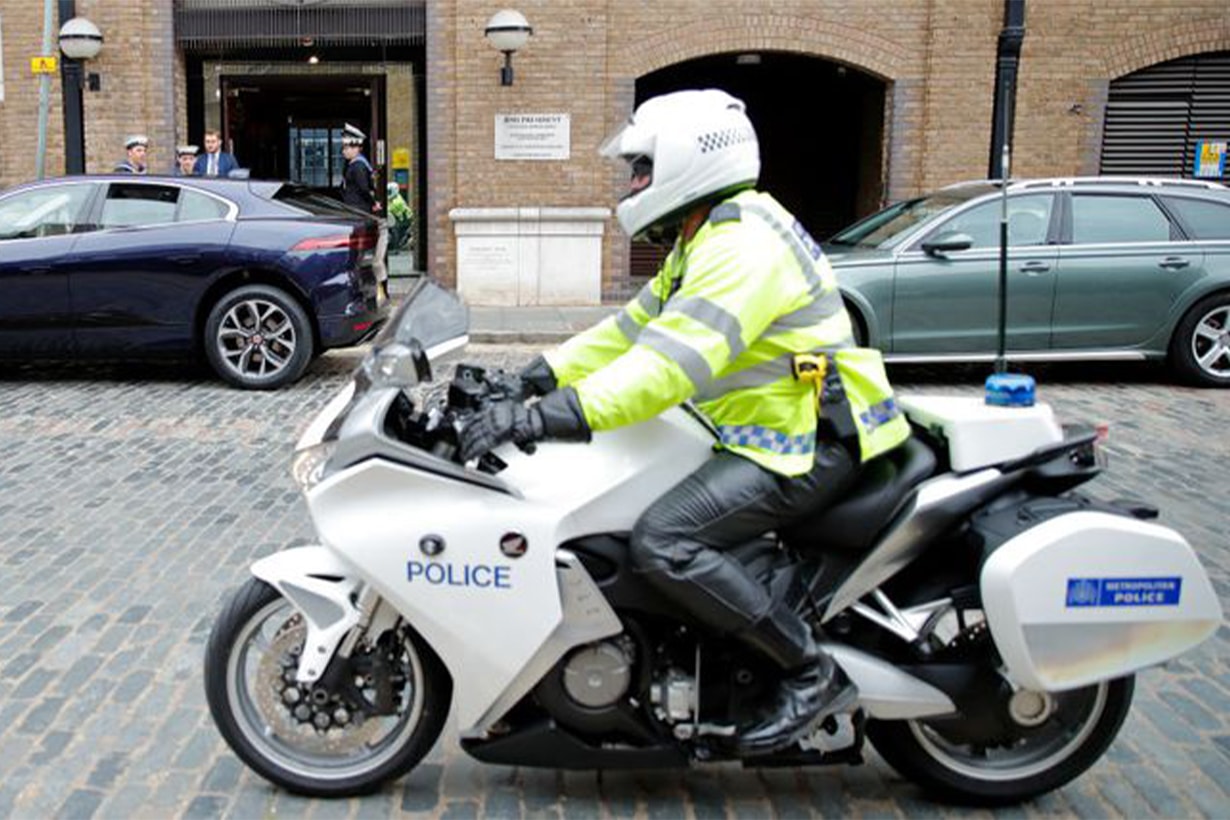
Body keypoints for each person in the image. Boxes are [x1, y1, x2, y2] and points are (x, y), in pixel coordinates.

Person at [458, 89, 912, 756]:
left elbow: (665, 369)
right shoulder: (706, 236)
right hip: (757, 430)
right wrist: (535, 376)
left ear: (692, 161)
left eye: (642, 168)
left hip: (800, 443)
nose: (634, 182)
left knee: (666, 540)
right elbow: (625, 333)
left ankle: (808, 670)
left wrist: (539, 419)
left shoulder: (742, 247)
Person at [340, 124, 381, 214]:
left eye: (346, 148)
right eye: (343, 148)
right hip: (354, 207)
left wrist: (373, 203)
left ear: (357, 149)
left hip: (359, 208)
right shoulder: (352, 164)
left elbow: (364, 189)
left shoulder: (358, 166)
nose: (343, 152)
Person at [386, 181, 413, 251]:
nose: (388, 193)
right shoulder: (393, 198)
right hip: (399, 219)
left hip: (405, 220)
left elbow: (389, 208)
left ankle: (395, 248)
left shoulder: (398, 201)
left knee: (395, 229)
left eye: (389, 192)